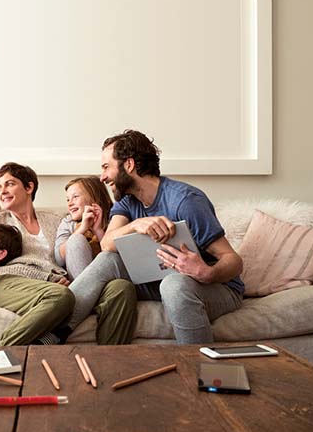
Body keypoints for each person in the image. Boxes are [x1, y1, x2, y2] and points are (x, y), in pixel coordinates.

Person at [69, 130, 245, 344]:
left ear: (129, 165)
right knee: (108, 259)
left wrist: (207, 273)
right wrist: (136, 225)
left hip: (214, 287)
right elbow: (107, 243)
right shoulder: (127, 201)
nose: (102, 177)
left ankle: (197, 363)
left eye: (106, 167)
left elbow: (233, 260)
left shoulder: (185, 201)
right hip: (157, 279)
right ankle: (56, 330)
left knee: (173, 285)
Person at [0, 162, 135, 346]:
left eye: (9, 184)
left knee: (122, 287)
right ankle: (6, 350)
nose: (2, 191)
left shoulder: (56, 220)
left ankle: (108, 360)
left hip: (60, 285)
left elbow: (72, 252)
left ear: (29, 187)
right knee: (60, 295)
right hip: (12, 282)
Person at [54, 176, 113, 281]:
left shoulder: (115, 218)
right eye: (68, 199)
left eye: (75, 197)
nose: (70, 203)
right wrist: (82, 228)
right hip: (79, 280)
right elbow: (59, 259)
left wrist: (98, 230)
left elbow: (115, 256)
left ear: (95, 198)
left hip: (107, 277)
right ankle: (86, 287)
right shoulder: (68, 222)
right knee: (76, 239)